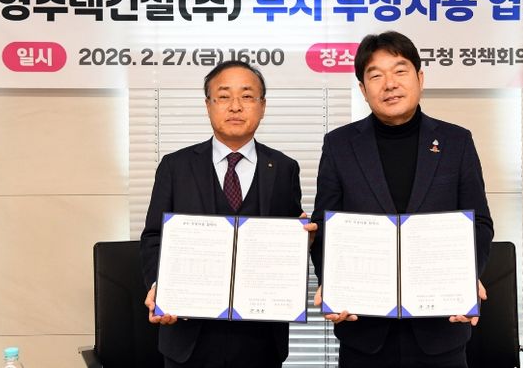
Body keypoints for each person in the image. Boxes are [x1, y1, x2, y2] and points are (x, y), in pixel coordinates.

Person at [309, 31, 494, 368]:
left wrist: (467, 276)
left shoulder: (456, 141)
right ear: (363, 89)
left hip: (441, 329)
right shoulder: (339, 145)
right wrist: (331, 283)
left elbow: (479, 223)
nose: (389, 84)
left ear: (420, 78)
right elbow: (324, 226)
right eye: (376, 76)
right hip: (363, 331)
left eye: (400, 71)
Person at [140, 61, 306, 368]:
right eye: (224, 96)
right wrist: (158, 285)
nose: (235, 106)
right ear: (208, 105)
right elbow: (153, 237)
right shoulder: (175, 166)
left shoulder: (284, 168)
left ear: (262, 106)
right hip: (188, 336)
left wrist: (300, 241)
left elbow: (288, 241)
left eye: (247, 96)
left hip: (260, 337)